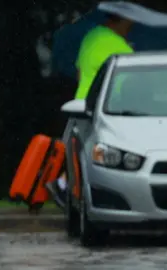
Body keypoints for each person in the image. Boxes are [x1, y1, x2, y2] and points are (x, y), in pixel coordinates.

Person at [46, 14, 135, 207]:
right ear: (119, 21)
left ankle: (64, 186)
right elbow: (128, 83)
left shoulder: (91, 36)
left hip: (81, 102)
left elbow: (79, 72)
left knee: (77, 150)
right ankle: (68, 188)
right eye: (129, 22)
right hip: (104, 108)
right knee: (99, 155)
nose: (131, 26)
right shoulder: (119, 47)